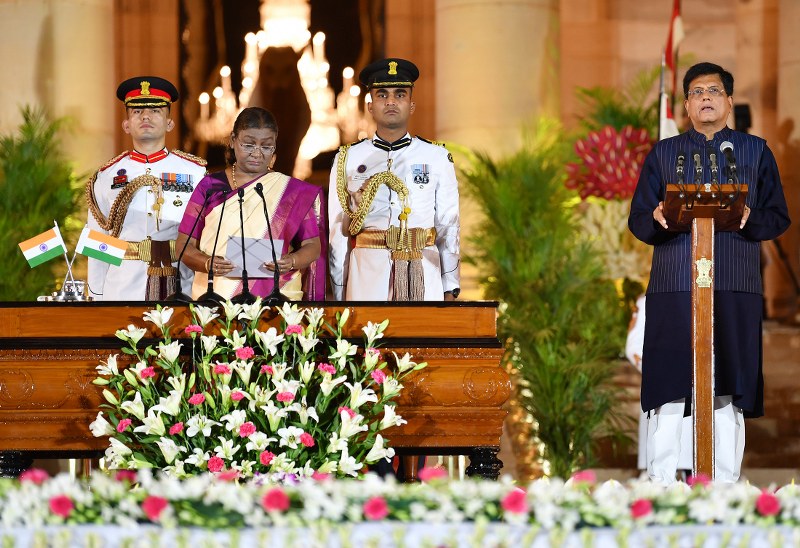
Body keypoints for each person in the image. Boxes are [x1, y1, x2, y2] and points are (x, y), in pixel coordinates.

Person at [628, 62, 791, 483]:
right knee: (669, 384)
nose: (705, 98)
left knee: (728, 386)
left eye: (714, 91)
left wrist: (750, 217)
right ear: (685, 104)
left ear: (728, 101)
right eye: (697, 91)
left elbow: (778, 218)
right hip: (675, 283)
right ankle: (662, 484)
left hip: (735, 283)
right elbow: (639, 220)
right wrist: (660, 215)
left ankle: (724, 486)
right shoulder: (663, 154)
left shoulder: (756, 152)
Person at [328, 58, 460, 301]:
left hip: (423, 269)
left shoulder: (437, 157)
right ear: (370, 105)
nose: (390, 101)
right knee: (367, 339)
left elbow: (448, 226)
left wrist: (449, 286)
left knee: (422, 338)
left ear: (411, 105)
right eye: (381, 95)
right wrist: (339, 291)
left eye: (400, 94)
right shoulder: (348, 157)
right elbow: (338, 233)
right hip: (366, 275)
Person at [176, 107, 325, 301]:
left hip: (277, 298)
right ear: (232, 140)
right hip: (216, 298)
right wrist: (207, 263)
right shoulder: (210, 187)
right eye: (248, 144)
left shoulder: (292, 191)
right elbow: (183, 245)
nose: (257, 153)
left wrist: (292, 260)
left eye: (266, 146)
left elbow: (312, 245)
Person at [86, 76, 207, 301]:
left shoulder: (196, 173)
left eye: (155, 110)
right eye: (136, 111)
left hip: (181, 283)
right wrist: (96, 294)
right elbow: (96, 240)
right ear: (126, 125)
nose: (145, 116)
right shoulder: (107, 175)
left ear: (170, 123)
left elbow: (208, 236)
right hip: (122, 287)